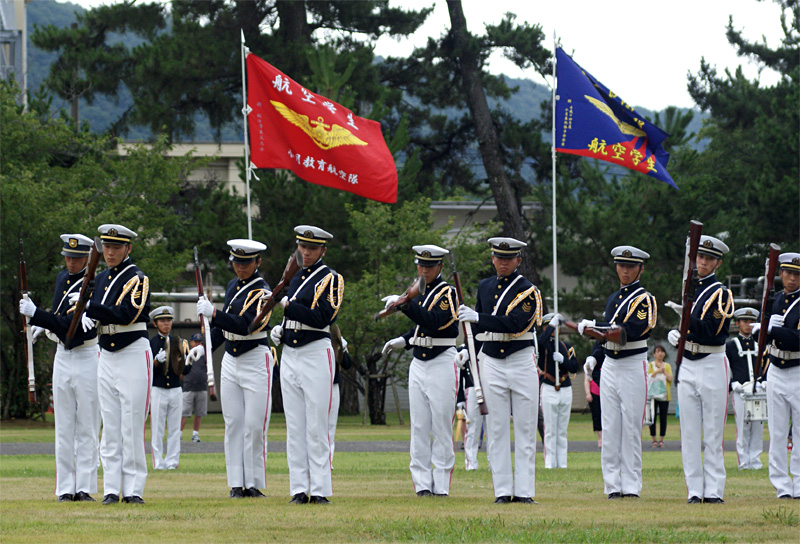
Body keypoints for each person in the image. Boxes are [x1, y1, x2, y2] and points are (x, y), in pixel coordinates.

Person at [457, 237, 542, 504]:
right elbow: (477, 329)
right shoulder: (485, 286)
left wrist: (477, 318)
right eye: (498, 258)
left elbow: (515, 323)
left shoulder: (528, 291)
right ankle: (503, 491)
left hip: (519, 358)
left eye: (508, 258)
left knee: (526, 429)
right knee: (495, 429)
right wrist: (464, 347)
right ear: (493, 259)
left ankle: (525, 491)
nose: (503, 263)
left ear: (518, 260)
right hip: (491, 360)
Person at [19, 233, 100, 502]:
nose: (70, 262)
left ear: (88, 258)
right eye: (67, 256)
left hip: (87, 355)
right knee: (63, 425)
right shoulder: (61, 279)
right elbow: (58, 317)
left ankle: (85, 487)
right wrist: (43, 325)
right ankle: (65, 487)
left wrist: (37, 315)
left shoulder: (95, 284)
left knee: (87, 424)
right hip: (62, 355)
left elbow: (71, 324)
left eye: (76, 258)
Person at [271, 225, 343, 505]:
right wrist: (282, 328)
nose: (306, 252)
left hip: (315, 352)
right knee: (295, 426)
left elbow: (322, 317)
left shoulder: (331, 278)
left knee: (317, 424)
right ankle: (299, 488)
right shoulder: (294, 276)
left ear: (323, 250)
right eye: (302, 246)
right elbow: (290, 312)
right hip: (290, 353)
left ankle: (321, 488)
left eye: (312, 248)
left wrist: (289, 308)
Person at [80, 224, 152, 505]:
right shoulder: (100, 278)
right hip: (105, 353)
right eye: (107, 247)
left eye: (116, 247)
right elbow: (96, 314)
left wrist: (91, 308)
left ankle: (133, 488)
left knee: (132, 423)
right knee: (109, 425)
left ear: (128, 249)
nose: (110, 252)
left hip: (132, 351)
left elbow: (127, 314)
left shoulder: (137, 278)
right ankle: (111, 487)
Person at [196, 239, 273, 499]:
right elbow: (224, 329)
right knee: (233, 424)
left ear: (257, 262)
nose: (240, 267)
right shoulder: (232, 286)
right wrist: (204, 347)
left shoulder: (263, 292)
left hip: (255, 357)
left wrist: (214, 313)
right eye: (236, 262)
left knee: (253, 425)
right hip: (231, 358)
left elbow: (245, 324)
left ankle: (253, 483)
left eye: (246, 262)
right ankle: (236, 483)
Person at [578, 246, 656, 500]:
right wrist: (593, 354)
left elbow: (626, 331)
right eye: (621, 265)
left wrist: (594, 327)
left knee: (631, 427)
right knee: (610, 427)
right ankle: (612, 484)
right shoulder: (614, 298)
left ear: (640, 268)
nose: (625, 270)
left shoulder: (644, 299)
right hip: (609, 365)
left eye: (630, 266)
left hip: (632, 364)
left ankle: (632, 485)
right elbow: (604, 338)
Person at [382, 245, 459, 497]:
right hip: (419, 361)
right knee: (419, 426)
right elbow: (418, 329)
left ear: (440, 267)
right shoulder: (416, 292)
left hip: (441, 361)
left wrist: (404, 304)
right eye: (421, 265)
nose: (424, 270)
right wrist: (403, 340)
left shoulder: (447, 292)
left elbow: (432, 322)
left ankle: (442, 484)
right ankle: (422, 484)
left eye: (430, 266)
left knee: (441, 425)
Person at [668, 235, 734, 504]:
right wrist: (679, 335)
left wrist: (686, 321)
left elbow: (712, 331)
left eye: (708, 258)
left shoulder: (722, 294)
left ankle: (714, 490)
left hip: (711, 363)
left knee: (713, 433)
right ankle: (694, 489)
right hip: (689, 365)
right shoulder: (690, 290)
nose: (702, 262)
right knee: (690, 432)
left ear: (717, 262)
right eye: (699, 257)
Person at [755, 252, 800, 499]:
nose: (791, 278)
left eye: (796, 274)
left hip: (798, 368)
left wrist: (774, 330)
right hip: (776, 369)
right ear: (780, 273)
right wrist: (760, 331)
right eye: (787, 273)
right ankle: (782, 486)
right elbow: (767, 336)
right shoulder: (775, 299)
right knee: (778, 431)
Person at [148, 306, 189, 470]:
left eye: (168, 320)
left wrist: (188, 360)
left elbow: (184, 371)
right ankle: (158, 462)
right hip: (158, 389)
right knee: (157, 428)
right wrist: (156, 361)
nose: (166, 324)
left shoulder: (177, 341)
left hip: (175, 388)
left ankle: (172, 461)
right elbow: (147, 369)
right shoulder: (151, 342)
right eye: (162, 321)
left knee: (174, 428)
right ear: (155, 323)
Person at [537, 313, 579, 469]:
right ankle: (549, 464)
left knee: (561, 431)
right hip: (548, 387)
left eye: (557, 326)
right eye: (553, 327)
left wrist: (563, 360)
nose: (556, 329)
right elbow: (541, 341)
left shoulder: (566, 347)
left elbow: (575, 367)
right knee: (549, 430)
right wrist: (551, 325)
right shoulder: (543, 343)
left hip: (565, 388)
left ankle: (562, 464)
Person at [726, 307, 763, 469]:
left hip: (758, 390)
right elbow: (724, 368)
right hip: (740, 390)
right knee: (743, 426)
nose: (749, 325)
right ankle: (744, 461)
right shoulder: (731, 345)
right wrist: (732, 383)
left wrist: (763, 381)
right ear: (737, 323)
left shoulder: (760, 344)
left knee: (758, 426)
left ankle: (755, 460)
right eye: (745, 321)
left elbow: (766, 364)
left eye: (752, 322)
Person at [328, 333, 353, 469]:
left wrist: (342, 349)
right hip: (311, 384)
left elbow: (347, 364)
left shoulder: (334, 337)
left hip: (332, 384)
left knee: (330, 426)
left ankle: (328, 460)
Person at [181, 333, 208, 443]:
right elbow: (181, 371)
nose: (197, 344)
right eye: (195, 341)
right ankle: (179, 434)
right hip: (188, 387)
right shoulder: (187, 353)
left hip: (201, 386)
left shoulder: (204, 355)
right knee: (184, 413)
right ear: (191, 342)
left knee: (199, 412)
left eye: (199, 342)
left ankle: (195, 434)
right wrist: (186, 380)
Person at [459, 363, 486, 471]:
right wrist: (460, 398)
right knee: (472, 429)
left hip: (490, 384)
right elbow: (460, 376)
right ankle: (471, 464)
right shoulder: (463, 350)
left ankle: (495, 464)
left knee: (494, 429)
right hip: (472, 386)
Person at [647, 345, 673, 448]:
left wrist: (663, 370)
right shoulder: (650, 365)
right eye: (658, 351)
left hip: (664, 396)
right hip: (653, 395)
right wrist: (657, 371)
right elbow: (648, 377)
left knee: (663, 418)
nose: (660, 353)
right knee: (652, 417)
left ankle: (661, 439)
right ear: (654, 354)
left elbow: (670, 378)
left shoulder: (667, 366)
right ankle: (653, 439)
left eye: (662, 351)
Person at [583, 349, 602, 449]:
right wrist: (588, 394)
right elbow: (586, 380)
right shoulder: (591, 365)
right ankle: (600, 437)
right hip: (594, 392)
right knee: (596, 415)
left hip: (605, 393)